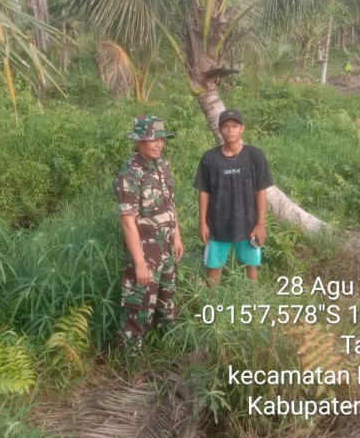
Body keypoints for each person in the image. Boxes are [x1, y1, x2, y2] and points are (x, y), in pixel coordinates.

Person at [114, 115, 184, 351]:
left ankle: (169, 351)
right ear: (139, 141)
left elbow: (170, 203)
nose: (158, 144)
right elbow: (127, 222)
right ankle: (129, 360)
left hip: (167, 249)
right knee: (138, 307)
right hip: (146, 253)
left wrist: (176, 236)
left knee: (168, 301)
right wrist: (140, 263)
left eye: (161, 139)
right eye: (153, 139)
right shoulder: (130, 173)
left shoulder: (162, 165)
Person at [194, 109, 273, 285]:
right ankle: (213, 306)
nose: (231, 130)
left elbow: (261, 191)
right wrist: (203, 223)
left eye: (235, 126)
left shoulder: (255, 155)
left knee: (251, 266)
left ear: (242, 128)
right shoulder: (209, 158)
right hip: (217, 225)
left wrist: (260, 224)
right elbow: (204, 192)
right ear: (220, 130)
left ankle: (253, 302)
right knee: (213, 267)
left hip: (248, 225)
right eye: (226, 126)